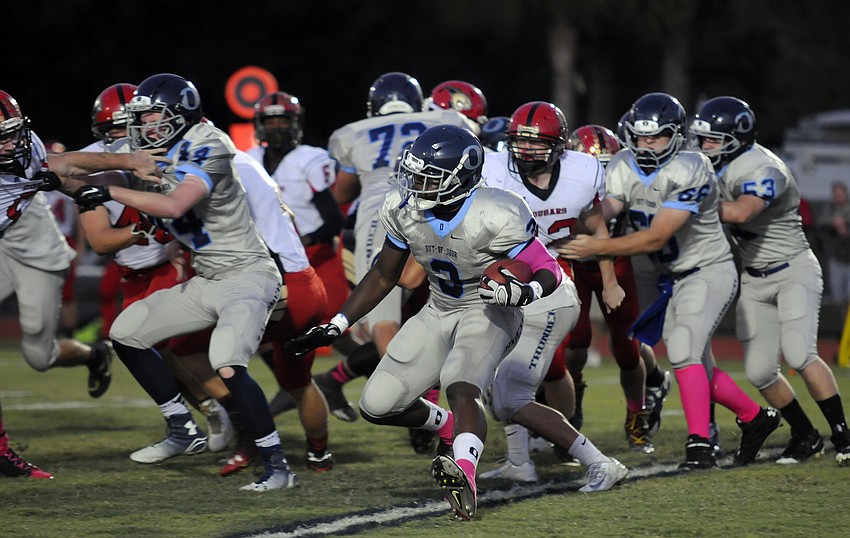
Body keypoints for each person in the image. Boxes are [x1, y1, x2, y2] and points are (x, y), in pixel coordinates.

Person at [288, 125, 626, 520]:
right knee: (376, 405)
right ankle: (450, 427)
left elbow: (546, 267)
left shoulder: (497, 210)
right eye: (414, 174)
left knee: (462, 385)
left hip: (488, 309)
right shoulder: (403, 206)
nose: (415, 185)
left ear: (460, 177)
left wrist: (526, 292)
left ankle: (465, 471)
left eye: (428, 177)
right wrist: (338, 323)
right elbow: (383, 274)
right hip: (439, 308)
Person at [60, 73, 295, 491]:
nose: (144, 126)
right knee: (126, 332)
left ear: (180, 113)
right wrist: (33, 168)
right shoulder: (155, 146)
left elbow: (174, 205)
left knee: (226, 362)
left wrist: (109, 193)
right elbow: (63, 165)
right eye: (141, 118)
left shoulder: (210, 143)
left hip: (248, 274)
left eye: (152, 116)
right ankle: (181, 426)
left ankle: (277, 465)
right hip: (207, 277)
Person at [559, 92, 780, 469]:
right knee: (692, 363)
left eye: (656, 136)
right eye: (640, 136)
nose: (646, 144)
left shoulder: (692, 166)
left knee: (682, 351)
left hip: (708, 269)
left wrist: (596, 245)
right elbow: (604, 211)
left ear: (676, 136)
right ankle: (755, 418)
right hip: (670, 277)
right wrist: (561, 217)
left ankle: (700, 445)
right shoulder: (623, 164)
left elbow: (656, 238)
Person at [691, 96, 850, 465]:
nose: (705, 146)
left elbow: (742, 212)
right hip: (754, 277)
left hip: (793, 269)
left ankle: (843, 436)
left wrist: (688, 203)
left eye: (713, 139)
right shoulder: (711, 167)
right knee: (760, 372)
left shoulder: (764, 166)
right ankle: (806, 436)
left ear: (737, 138)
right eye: (703, 139)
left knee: (800, 354)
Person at [478, 102, 630, 484]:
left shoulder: (581, 173)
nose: (526, 150)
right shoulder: (494, 171)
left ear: (559, 146)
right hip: (507, 273)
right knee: (502, 371)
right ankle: (519, 460)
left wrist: (609, 281)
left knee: (539, 374)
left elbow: (598, 229)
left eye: (536, 143)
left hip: (552, 279)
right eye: (520, 142)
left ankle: (576, 449)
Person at [323, 72, 477, 438]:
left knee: (384, 318)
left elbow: (342, 194)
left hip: (383, 214)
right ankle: (428, 398)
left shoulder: (351, 133)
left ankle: (411, 399)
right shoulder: (445, 118)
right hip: (440, 210)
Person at [561, 123, 671, 452]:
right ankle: (571, 402)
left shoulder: (625, 178)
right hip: (573, 260)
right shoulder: (558, 180)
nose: (598, 174)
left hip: (614, 258)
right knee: (574, 341)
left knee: (626, 346)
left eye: (605, 166)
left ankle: (636, 415)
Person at [0, 89, 113, 405]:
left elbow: (67, 167)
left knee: (40, 356)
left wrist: (128, 162)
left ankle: (93, 355)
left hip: (37, 252)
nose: (11, 144)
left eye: (11, 134)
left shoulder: (27, 151)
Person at [246, 91, 349, 418]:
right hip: (270, 263)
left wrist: (300, 240)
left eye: (283, 121)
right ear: (259, 125)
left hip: (315, 257)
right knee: (265, 333)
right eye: (270, 121)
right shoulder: (248, 160)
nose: (276, 127)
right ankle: (295, 386)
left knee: (339, 331)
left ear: (295, 124)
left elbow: (333, 220)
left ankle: (342, 379)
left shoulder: (309, 159)